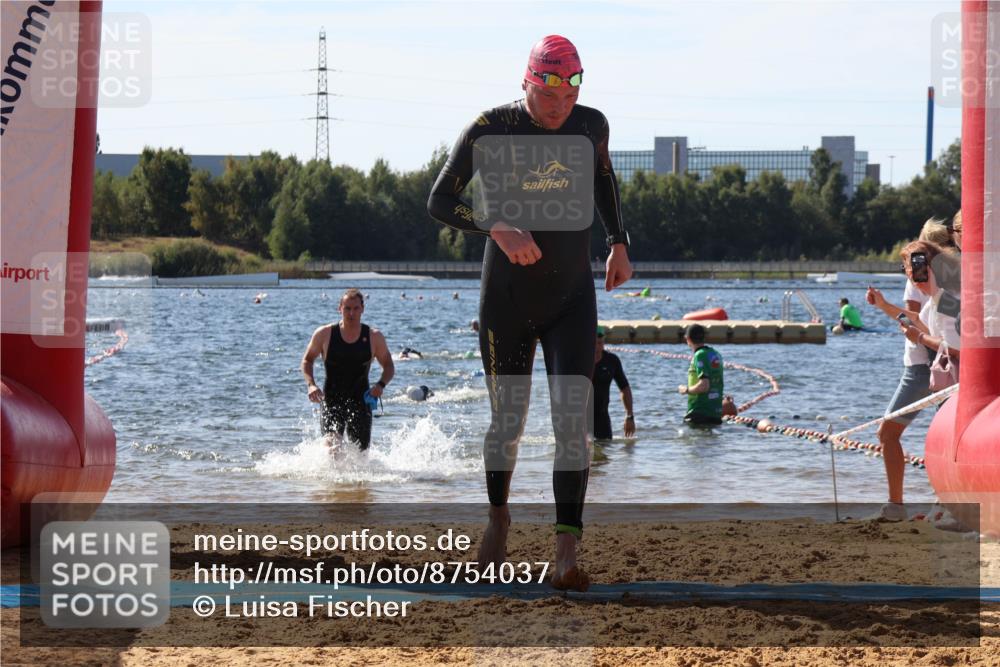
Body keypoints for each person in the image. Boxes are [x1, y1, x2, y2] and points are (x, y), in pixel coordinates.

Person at [427, 34, 632, 591]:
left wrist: (618, 241)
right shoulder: (491, 127)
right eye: (548, 96)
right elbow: (440, 199)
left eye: (568, 95)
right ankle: (498, 517)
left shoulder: (592, 125)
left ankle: (567, 549)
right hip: (507, 299)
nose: (559, 107)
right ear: (528, 81)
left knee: (573, 419)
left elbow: (606, 180)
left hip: (572, 297)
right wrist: (495, 223)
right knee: (508, 422)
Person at [866, 240, 961, 520]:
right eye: (908, 269)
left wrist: (918, 337)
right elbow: (919, 320)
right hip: (935, 373)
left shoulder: (944, 299)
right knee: (941, 440)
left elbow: (956, 347)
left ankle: (905, 506)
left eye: (911, 268)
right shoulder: (937, 300)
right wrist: (885, 306)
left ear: (927, 268)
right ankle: (939, 504)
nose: (910, 275)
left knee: (889, 433)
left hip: (935, 373)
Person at [301, 289, 395, 450]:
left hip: (361, 400)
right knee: (331, 448)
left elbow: (389, 366)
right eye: (347, 308)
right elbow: (307, 360)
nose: (351, 313)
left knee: (360, 455)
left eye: (356, 308)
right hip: (331, 399)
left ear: (362, 309)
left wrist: (380, 385)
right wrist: (311, 384)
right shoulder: (324, 334)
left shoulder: (374, 336)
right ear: (340, 308)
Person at [591, 327, 634, 440]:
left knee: (605, 453)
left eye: (600, 343)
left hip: (602, 418)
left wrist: (629, 416)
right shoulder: (579, 360)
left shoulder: (611, 361)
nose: (597, 347)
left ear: (603, 342)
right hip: (580, 418)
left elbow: (624, 388)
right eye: (593, 343)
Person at [677, 324, 724, 425]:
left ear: (688, 339)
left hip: (699, 413)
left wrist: (686, 390)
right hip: (715, 414)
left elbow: (704, 386)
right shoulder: (715, 354)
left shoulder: (699, 355)